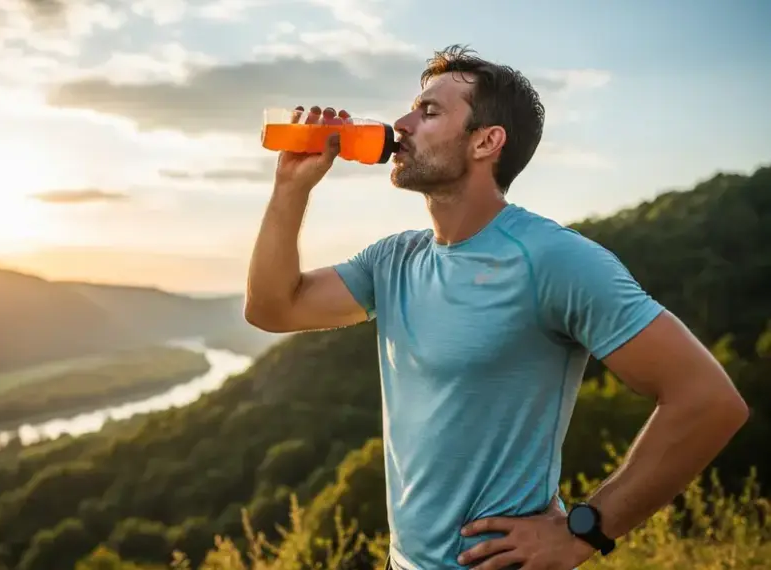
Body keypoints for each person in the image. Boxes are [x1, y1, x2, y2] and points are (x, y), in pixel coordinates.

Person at [243, 44, 749, 570]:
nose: (402, 123)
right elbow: (273, 309)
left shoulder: (555, 260)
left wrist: (583, 531)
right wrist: (290, 188)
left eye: (430, 111)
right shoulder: (394, 260)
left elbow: (709, 400)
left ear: (486, 141)